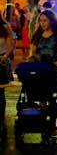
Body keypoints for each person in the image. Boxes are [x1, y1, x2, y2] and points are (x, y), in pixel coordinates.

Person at [0, 12, 14, 140]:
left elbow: (11, 44)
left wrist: (4, 57)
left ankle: (2, 122)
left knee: (0, 94)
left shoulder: (4, 26)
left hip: (1, 62)